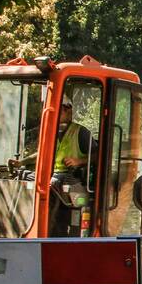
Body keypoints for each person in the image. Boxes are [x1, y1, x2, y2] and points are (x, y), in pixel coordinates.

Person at [48, 95, 94, 236]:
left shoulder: (81, 133)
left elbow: (99, 156)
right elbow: (42, 153)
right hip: (55, 178)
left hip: (71, 180)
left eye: (58, 109)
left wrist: (78, 161)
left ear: (68, 110)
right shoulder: (52, 131)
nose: (54, 113)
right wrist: (22, 162)